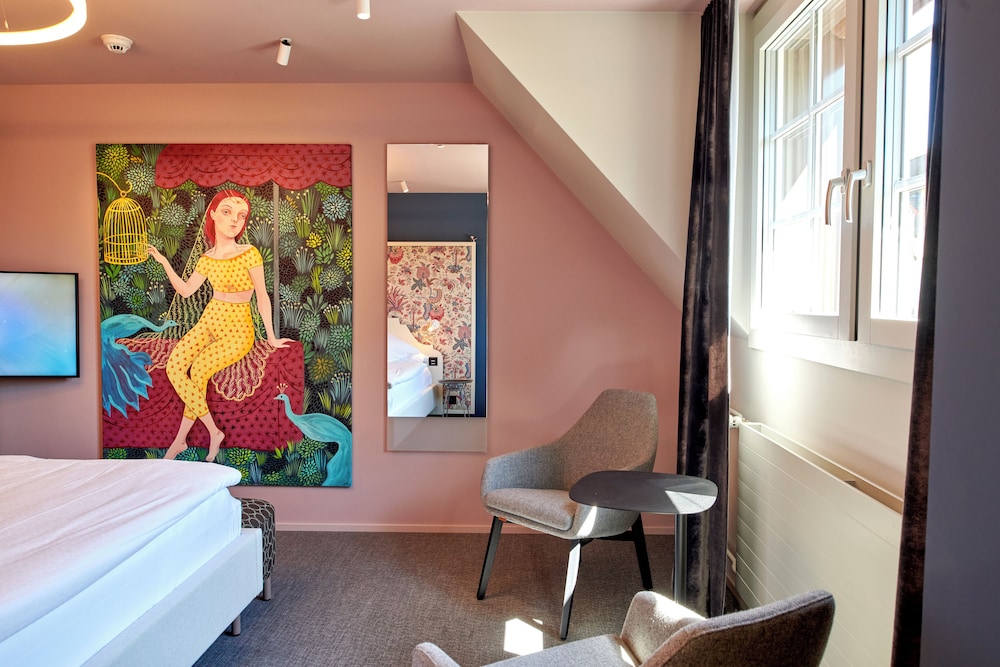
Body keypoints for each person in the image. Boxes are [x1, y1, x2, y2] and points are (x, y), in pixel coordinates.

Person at [148, 189, 291, 461]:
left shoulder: (249, 253)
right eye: (227, 212)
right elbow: (186, 291)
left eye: (241, 215)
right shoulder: (207, 259)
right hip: (210, 318)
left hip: (238, 328)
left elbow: (262, 296)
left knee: (199, 370)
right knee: (174, 367)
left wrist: (271, 337)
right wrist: (165, 262)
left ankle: (180, 440)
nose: (235, 220)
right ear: (212, 214)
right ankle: (211, 432)